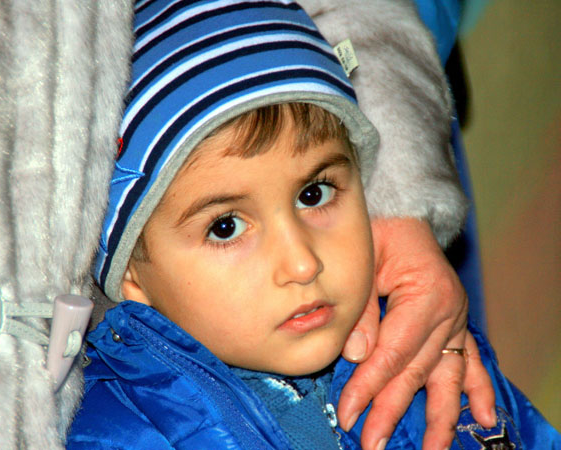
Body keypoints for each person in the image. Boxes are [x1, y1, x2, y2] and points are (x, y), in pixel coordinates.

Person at [67, 1, 560, 448]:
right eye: (225, 227)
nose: (303, 263)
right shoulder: (112, 437)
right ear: (130, 275)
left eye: (314, 194)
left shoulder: (430, 349)